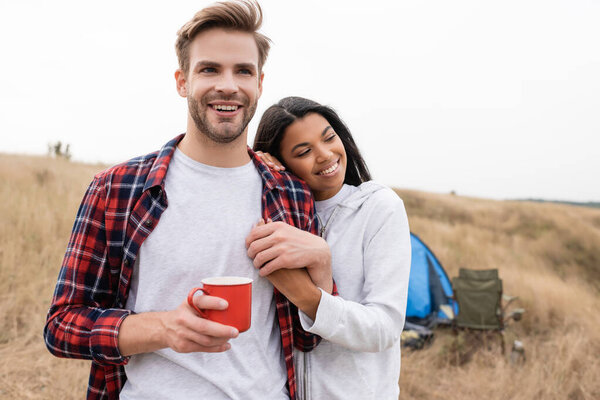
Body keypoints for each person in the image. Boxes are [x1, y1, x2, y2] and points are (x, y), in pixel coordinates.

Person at [43, 3, 333, 399]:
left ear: (260, 84)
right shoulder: (117, 188)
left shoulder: (291, 196)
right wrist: (163, 328)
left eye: (243, 71)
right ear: (182, 81)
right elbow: (61, 327)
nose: (228, 85)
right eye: (209, 69)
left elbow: (308, 339)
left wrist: (321, 262)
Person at [248, 96, 412, 399]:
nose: (325, 155)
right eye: (304, 151)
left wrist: (310, 297)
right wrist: (257, 170)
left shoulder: (378, 207)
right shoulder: (274, 214)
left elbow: (384, 328)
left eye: (329, 138)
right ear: (280, 160)